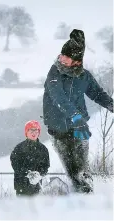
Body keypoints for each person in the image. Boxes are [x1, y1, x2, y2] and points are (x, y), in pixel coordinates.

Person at [43, 29, 113, 193]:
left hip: (79, 128)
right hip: (58, 129)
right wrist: (75, 116)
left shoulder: (84, 76)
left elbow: (97, 93)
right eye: (61, 55)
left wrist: (111, 105)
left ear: (76, 61)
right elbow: (58, 97)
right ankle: (80, 200)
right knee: (73, 171)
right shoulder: (54, 73)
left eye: (66, 57)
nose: (61, 58)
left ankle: (88, 195)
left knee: (82, 170)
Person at [10, 120, 50, 196]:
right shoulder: (19, 148)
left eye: (36, 130)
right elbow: (15, 165)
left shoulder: (43, 149)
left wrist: (39, 174)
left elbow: (46, 165)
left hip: (37, 187)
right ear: (26, 132)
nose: (34, 133)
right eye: (31, 130)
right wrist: (27, 173)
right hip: (21, 186)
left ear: (39, 132)